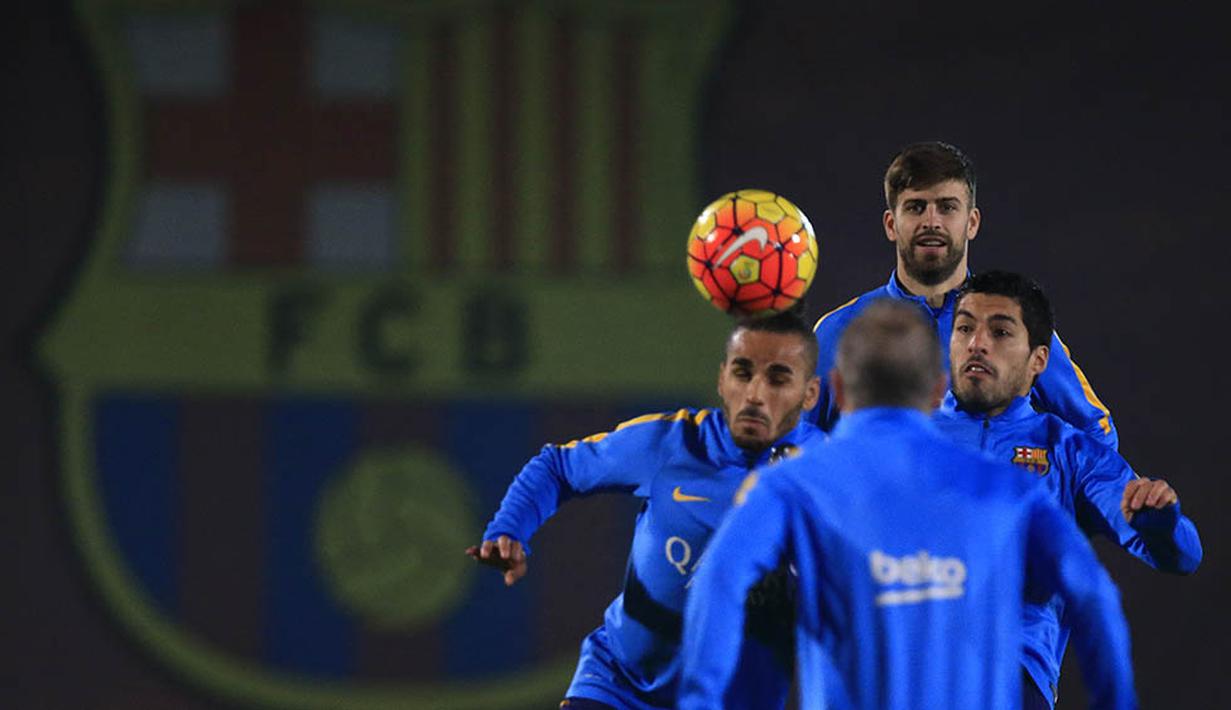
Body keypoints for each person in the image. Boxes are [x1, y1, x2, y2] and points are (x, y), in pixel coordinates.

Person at [679, 301, 1136, 710]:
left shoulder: (789, 486)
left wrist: (701, 700)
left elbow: (718, 581)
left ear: (837, 386)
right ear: (938, 390)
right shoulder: (1008, 490)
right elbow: (1093, 595)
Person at [466, 310, 824, 709]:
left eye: (778, 378)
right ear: (722, 379)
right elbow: (558, 468)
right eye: (743, 373)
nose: (755, 393)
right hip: (619, 684)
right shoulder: (673, 443)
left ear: (810, 394)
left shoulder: (833, 473)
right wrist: (510, 528)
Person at [933, 270, 1202, 708]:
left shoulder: (1071, 454)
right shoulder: (903, 441)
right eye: (964, 328)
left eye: (1000, 331)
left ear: (1038, 360)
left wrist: (1160, 521)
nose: (976, 343)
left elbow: (1184, 555)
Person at [809, 141, 1118, 448]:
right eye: (916, 207)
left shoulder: (1017, 325)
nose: (932, 222)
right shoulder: (839, 330)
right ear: (891, 224)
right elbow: (791, 442)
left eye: (947, 207)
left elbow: (1096, 432)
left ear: (972, 223)